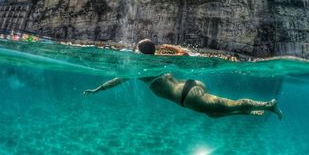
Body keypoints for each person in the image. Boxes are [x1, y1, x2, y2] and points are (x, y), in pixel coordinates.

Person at [84, 39, 282, 120]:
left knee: (229, 105)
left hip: (188, 97)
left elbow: (115, 81)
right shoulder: (161, 59)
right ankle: (248, 111)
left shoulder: (139, 69)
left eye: (136, 50)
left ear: (139, 52)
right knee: (213, 114)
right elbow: (184, 55)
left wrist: (95, 90)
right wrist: (169, 47)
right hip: (191, 85)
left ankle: (268, 105)